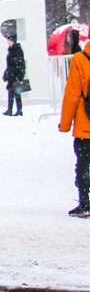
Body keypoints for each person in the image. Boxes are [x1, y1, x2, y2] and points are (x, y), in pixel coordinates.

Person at [60, 40, 90, 218]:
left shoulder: (80, 59)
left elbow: (72, 94)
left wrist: (65, 124)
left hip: (85, 125)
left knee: (84, 165)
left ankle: (86, 203)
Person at [3, 32, 26, 117]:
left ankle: (17, 109)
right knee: (12, 92)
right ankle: (12, 109)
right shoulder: (11, 50)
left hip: (15, 75)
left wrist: (19, 75)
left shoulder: (17, 50)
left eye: (9, 41)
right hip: (11, 75)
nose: (8, 42)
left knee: (15, 92)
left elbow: (19, 64)